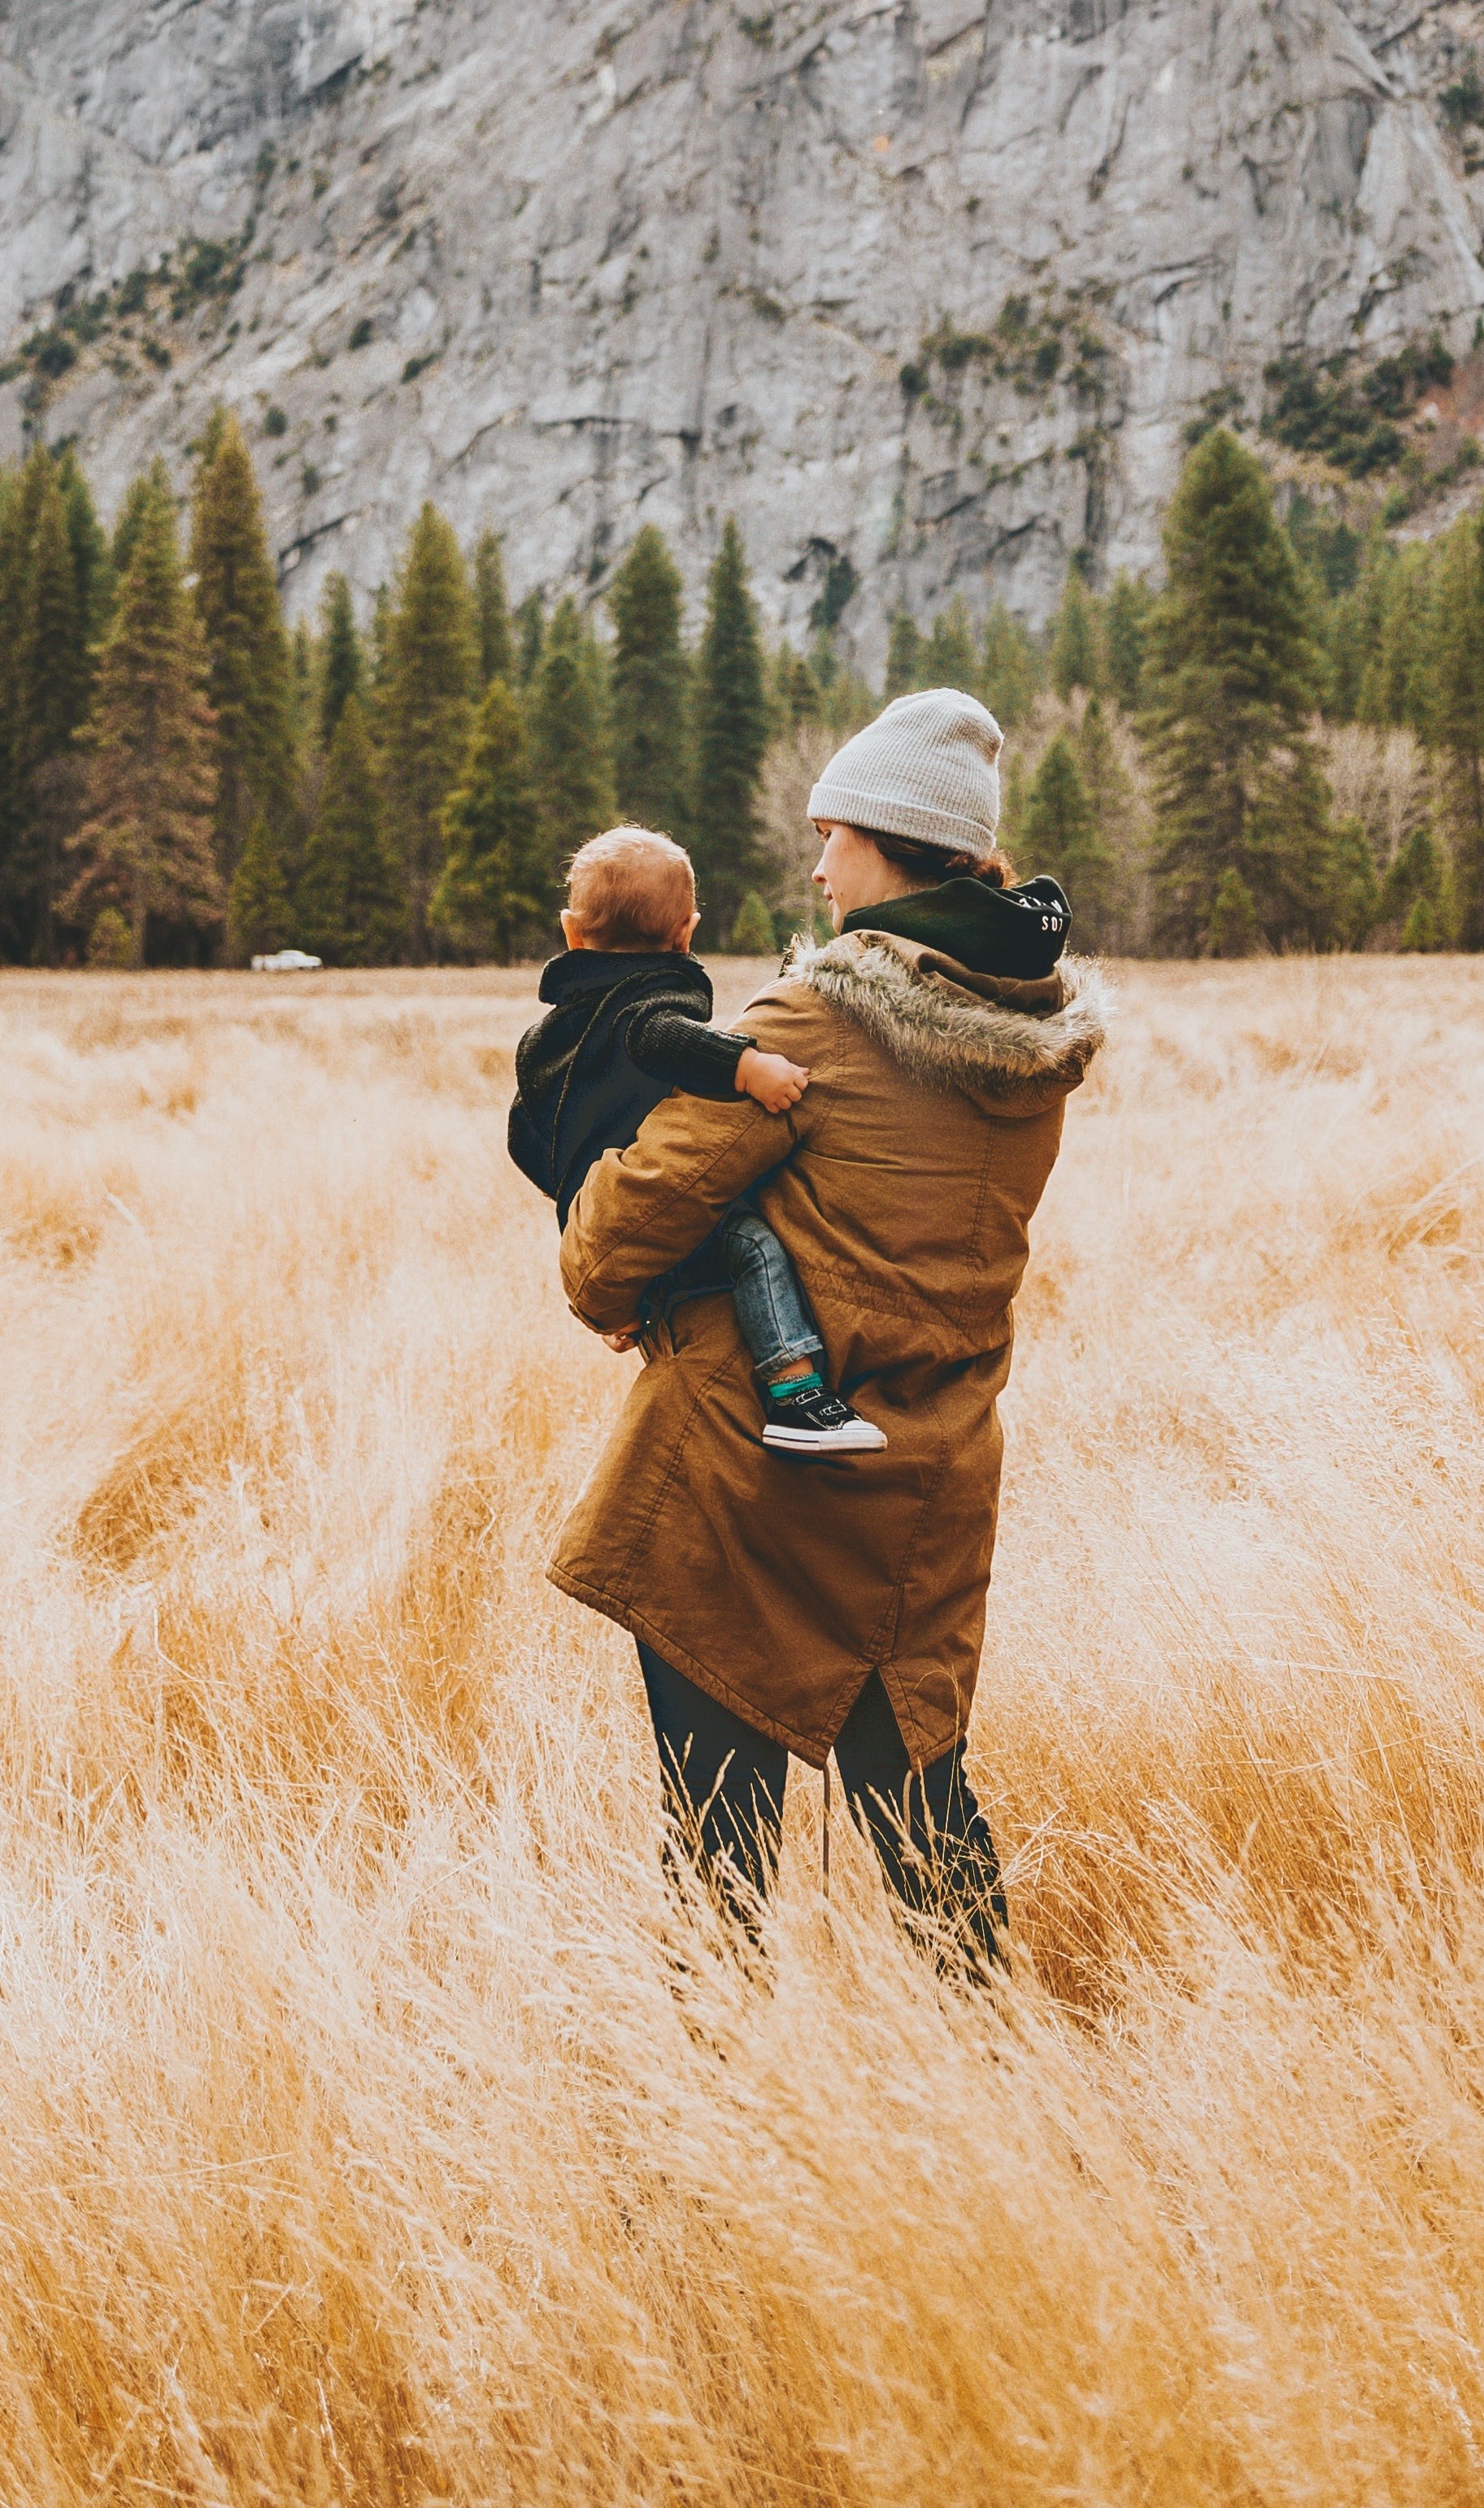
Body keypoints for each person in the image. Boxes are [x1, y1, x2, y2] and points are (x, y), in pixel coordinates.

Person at [546, 690, 1097, 1970]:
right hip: (929, 1482)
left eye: (833, 835)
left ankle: (717, 2135)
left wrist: (613, 1270)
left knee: (718, 1852)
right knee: (924, 1819)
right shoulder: (1029, 1038)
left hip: (751, 1492)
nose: (816, 865)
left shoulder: (812, 1024)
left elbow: (616, 1236)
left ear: (892, 845)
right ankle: (990, 2092)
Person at [507, 825, 885, 1456]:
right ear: (687, 932)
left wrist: (577, 1192)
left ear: (572, 932)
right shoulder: (646, 1003)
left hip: (595, 1219)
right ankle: (796, 1394)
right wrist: (748, 1068)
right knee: (753, 1245)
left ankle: (642, 1300)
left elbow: (524, 1136)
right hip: (657, 1217)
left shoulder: (549, 1038)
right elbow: (657, 1036)